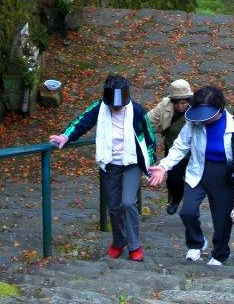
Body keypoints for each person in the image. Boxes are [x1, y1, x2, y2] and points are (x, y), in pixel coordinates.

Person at [148, 85, 234, 267]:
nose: (204, 119)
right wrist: (163, 166)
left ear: (219, 109)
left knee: (222, 219)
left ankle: (220, 253)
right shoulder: (193, 122)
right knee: (187, 211)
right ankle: (196, 243)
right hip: (197, 170)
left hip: (222, 174)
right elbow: (180, 146)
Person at [50, 74, 155, 262]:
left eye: (119, 104)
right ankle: (118, 240)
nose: (116, 107)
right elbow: (83, 121)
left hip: (131, 163)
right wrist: (65, 137)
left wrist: (152, 163)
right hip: (110, 164)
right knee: (113, 207)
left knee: (128, 203)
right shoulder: (100, 108)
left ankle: (135, 245)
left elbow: (149, 137)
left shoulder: (137, 111)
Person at [145, 79, 193, 215]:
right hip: (172, 149)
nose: (180, 106)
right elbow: (147, 120)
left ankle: (190, 207)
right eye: (176, 102)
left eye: (184, 102)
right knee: (173, 179)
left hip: (193, 152)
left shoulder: (197, 107)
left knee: (193, 180)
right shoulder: (165, 105)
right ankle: (176, 198)